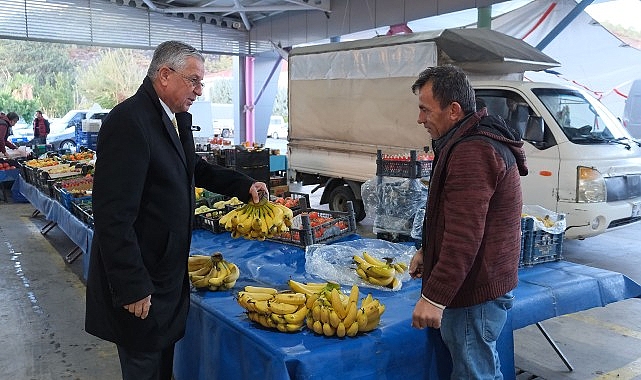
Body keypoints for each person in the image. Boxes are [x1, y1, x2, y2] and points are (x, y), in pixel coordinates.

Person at [84, 40, 268, 380]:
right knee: (144, 367)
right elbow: (112, 216)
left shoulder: (171, 118)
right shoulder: (130, 122)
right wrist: (132, 286)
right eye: (194, 80)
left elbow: (193, 167)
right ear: (165, 75)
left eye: (201, 83)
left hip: (165, 276)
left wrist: (242, 185)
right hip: (143, 281)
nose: (199, 91)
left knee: (162, 369)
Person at [408, 65, 528, 379]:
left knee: (475, 373)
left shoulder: (472, 151)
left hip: (473, 292)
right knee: (481, 367)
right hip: (478, 284)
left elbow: (465, 235)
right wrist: (428, 252)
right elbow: (457, 216)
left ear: (454, 110)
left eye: (425, 109)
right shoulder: (470, 140)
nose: (420, 119)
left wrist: (434, 297)